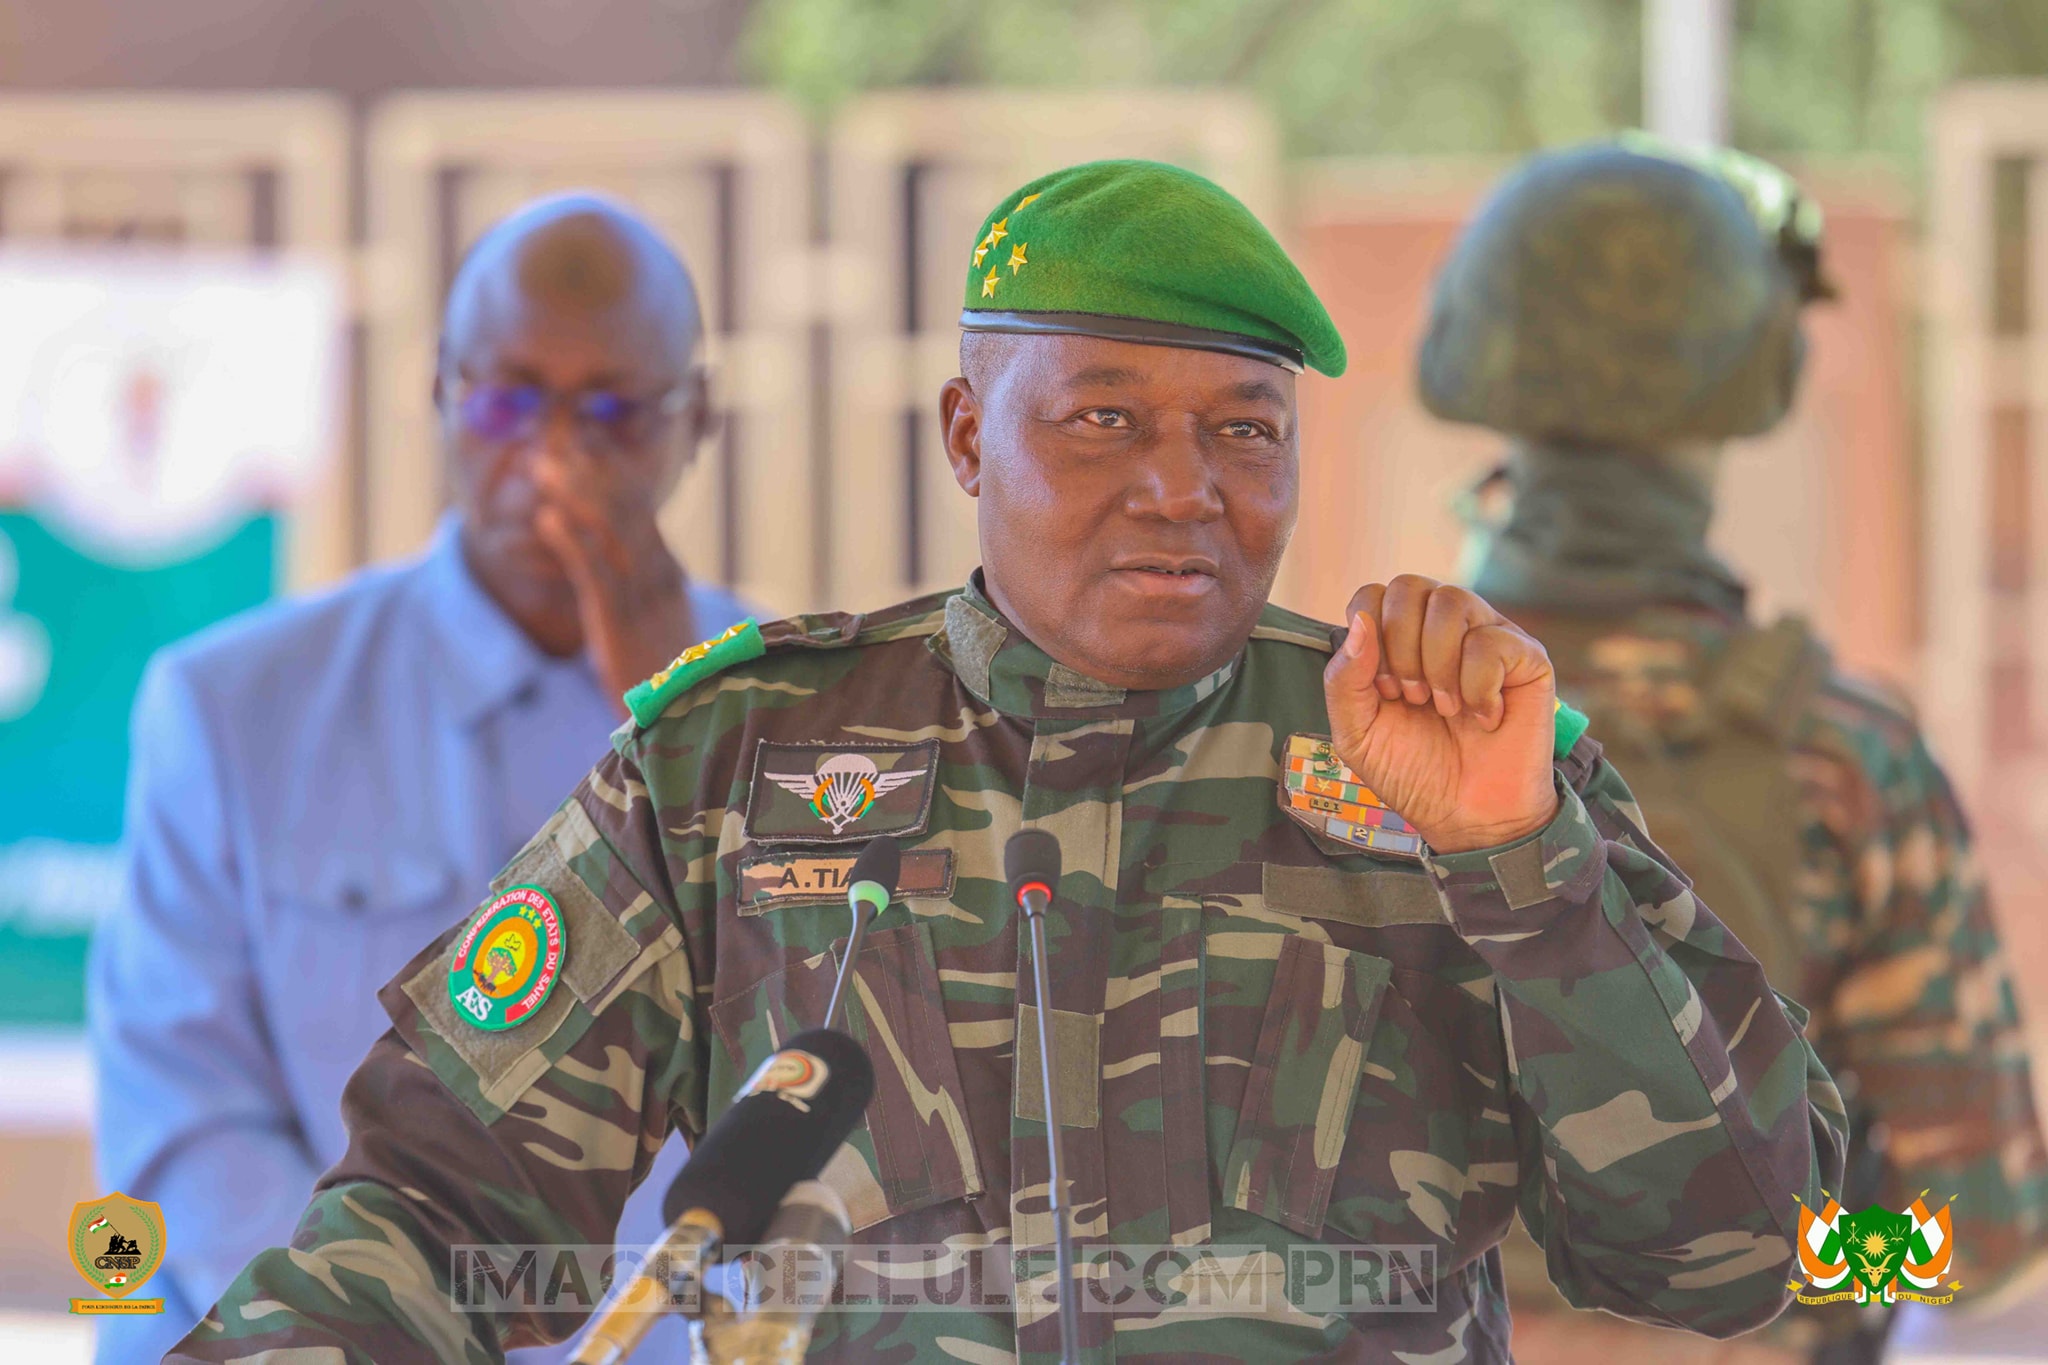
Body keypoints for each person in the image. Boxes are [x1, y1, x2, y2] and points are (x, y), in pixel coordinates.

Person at [166, 159, 1846, 1364]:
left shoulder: (1448, 770)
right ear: (970, 434)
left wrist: (1520, 869)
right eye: (1103, 418)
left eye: (1241, 430)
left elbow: (1743, 1254)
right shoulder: (738, 764)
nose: (1182, 488)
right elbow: (439, 1208)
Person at [89, 193, 752, 1365]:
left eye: (609, 410)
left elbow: (839, 1088)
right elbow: (184, 1122)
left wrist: (683, 717)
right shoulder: (234, 708)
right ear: (437, 393)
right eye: (504, 401)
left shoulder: (807, 729)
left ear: (694, 418)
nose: (551, 458)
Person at [1417, 138, 2048, 1364]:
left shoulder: (1353, 729)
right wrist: (1789, 1255)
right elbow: (1979, 1235)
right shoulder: (1843, 754)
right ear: (1750, 374)